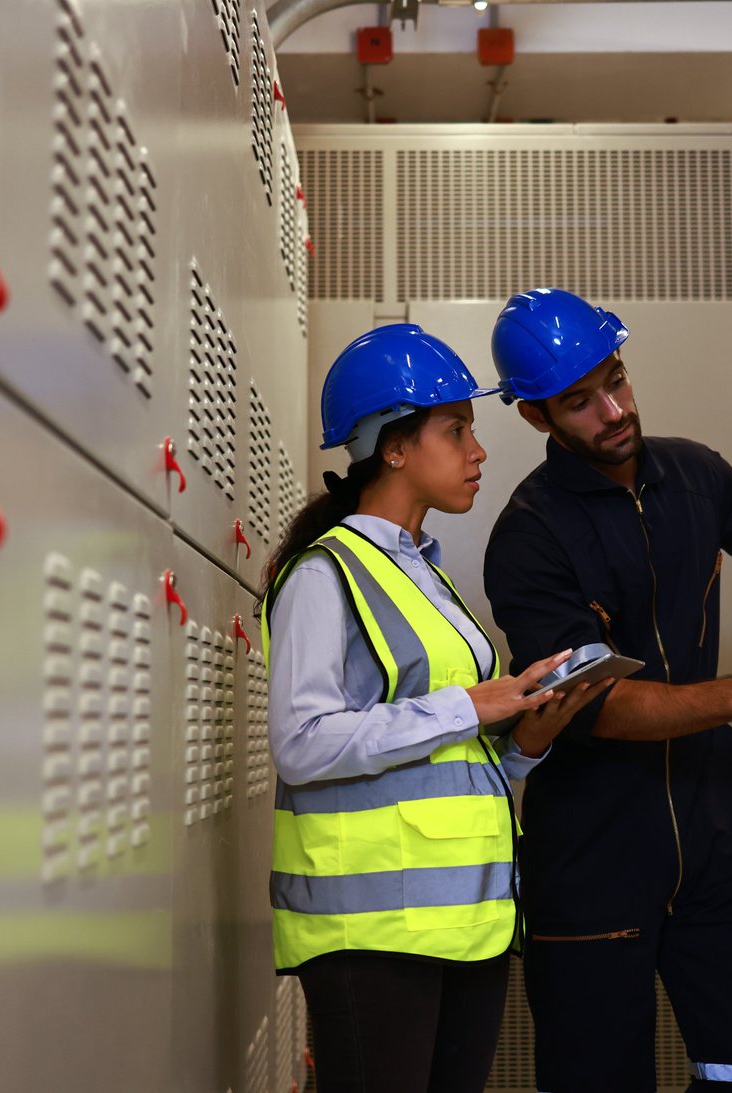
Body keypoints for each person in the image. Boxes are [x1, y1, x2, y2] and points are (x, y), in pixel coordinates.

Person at [480, 289, 732, 1092]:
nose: (613, 410)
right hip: (592, 843)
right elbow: (597, 707)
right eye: (580, 402)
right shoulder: (528, 535)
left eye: (616, 380)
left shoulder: (687, 469)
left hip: (716, 825)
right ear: (536, 418)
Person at [260, 323, 611, 1093]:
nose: (477, 451)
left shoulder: (425, 573)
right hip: (372, 935)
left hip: (466, 924)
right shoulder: (324, 575)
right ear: (392, 445)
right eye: (455, 431)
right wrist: (469, 702)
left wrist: (526, 737)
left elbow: (446, 753)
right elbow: (302, 743)